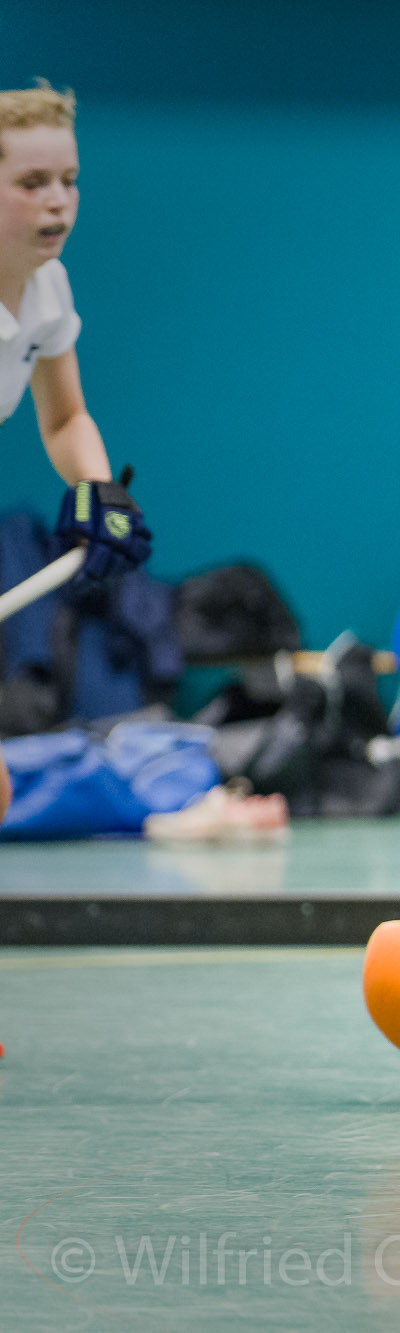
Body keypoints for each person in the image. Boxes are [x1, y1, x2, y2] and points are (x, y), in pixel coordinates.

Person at [1, 80, 151, 825]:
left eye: (69, 180)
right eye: (32, 183)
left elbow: (64, 418)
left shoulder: (47, 287)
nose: (58, 202)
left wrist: (99, 494)